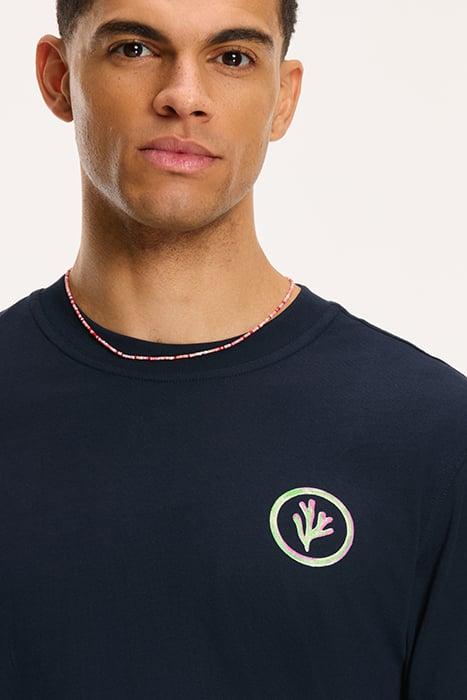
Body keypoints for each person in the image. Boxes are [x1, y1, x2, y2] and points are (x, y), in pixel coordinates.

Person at [1, 0, 466, 697]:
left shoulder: (431, 434)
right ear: (58, 77)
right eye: (134, 48)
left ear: (283, 98)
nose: (183, 96)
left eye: (232, 57)